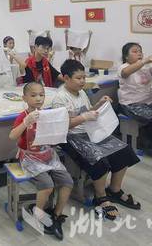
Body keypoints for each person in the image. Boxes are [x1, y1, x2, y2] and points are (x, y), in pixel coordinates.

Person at [53, 60, 141, 221]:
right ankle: (101, 197)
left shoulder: (81, 92)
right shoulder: (60, 98)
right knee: (98, 159)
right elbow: (63, 126)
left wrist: (99, 104)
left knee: (123, 149)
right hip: (70, 137)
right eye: (78, 78)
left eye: (84, 77)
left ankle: (114, 190)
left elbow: (88, 111)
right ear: (66, 78)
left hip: (88, 131)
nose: (82, 81)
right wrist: (83, 117)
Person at [9, 82, 72, 240]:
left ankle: (56, 215)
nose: (38, 98)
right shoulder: (23, 116)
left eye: (41, 95)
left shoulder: (47, 115)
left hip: (47, 155)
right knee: (47, 184)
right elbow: (12, 136)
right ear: (24, 98)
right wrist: (26, 122)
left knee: (67, 181)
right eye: (33, 95)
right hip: (29, 158)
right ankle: (38, 214)